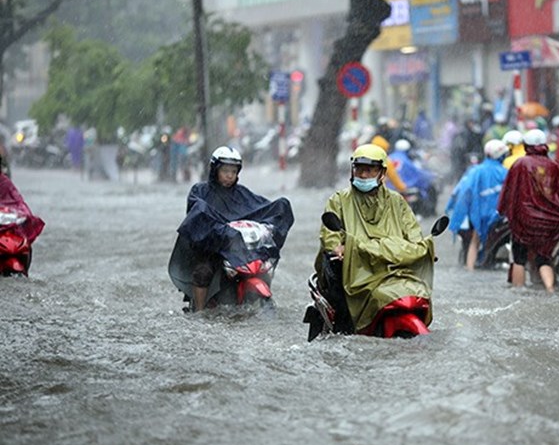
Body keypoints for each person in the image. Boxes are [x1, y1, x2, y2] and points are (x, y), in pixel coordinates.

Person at [314, 143, 437, 334]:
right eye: (359, 169)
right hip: (354, 269)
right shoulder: (339, 200)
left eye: (369, 170)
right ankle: (344, 330)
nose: (363, 175)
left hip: (390, 267)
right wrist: (337, 248)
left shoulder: (397, 202)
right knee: (341, 321)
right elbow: (330, 235)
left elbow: (412, 232)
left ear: (382, 174)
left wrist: (421, 248)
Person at [169, 146, 294, 311]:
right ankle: (198, 312)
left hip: (238, 250)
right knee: (203, 272)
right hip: (211, 249)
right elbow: (197, 215)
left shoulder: (243, 194)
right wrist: (220, 231)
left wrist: (271, 226)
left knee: (262, 268)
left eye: (233, 171)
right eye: (225, 170)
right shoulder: (200, 191)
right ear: (215, 170)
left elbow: (264, 209)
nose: (229, 175)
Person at [497, 129, 559, 292]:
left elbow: (508, 191)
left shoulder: (520, 164)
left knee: (519, 258)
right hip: (548, 221)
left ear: (526, 146)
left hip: (525, 221)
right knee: (544, 258)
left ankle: (519, 292)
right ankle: (550, 290)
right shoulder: (554, 166)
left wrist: (503, 210)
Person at [448, 139, 508, 270]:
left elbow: (463, 192)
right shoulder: (505, 172)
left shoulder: (475, 171)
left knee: (474, 242)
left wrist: (455, 211)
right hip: (499, 217)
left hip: (479, 216)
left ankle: (470, 269)